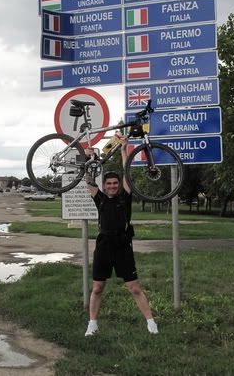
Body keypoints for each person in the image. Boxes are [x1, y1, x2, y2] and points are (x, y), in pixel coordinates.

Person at [84, 135, 158, 337]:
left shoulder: (124, 197)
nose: (112, 186)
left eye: (114, 183)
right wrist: (88, 157)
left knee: (134, 287)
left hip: (123, 245)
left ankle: (151, 322)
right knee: (98, 287)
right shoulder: (98, 198)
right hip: (104, 245)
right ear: (104, 185)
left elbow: (127, 172)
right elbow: (88, 179)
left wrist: (125, 150)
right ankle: (92, 324)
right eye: (108, 184)